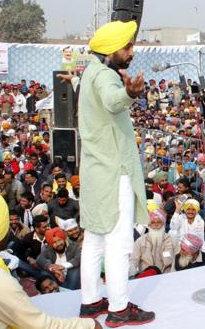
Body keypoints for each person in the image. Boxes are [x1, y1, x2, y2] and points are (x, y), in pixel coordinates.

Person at [59, 20, 155, 326]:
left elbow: (99, 93)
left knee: (95, 241)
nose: (131, 51)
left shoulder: (92, 72)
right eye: (127, 47)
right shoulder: (107, 79)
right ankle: (118, 309)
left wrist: (74, 80)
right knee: (118, 244)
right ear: (111, 50)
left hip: (96, 173)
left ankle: (90, 302)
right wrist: (129, 93)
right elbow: (113, 101)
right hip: (115, 174)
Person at [0, 192, 101, 328]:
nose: (58, 244)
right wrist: (89, 326)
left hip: (69, 279)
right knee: (44, 274)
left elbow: (78, 258)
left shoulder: (73, 247)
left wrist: (63, 266)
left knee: (76, 271)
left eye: (60, 241)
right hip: (56, 281)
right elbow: (39, 325)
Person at [130, 209, 177, 276]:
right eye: (153, 222)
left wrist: (172, 276)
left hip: (167, 277)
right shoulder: (140, 241)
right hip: (147, 278)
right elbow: (133, 261)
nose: (156, 225)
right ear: (149, 224)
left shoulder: (172, 240)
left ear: (163, 223)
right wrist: (133, 276)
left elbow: (177, 260)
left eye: (159, 222)